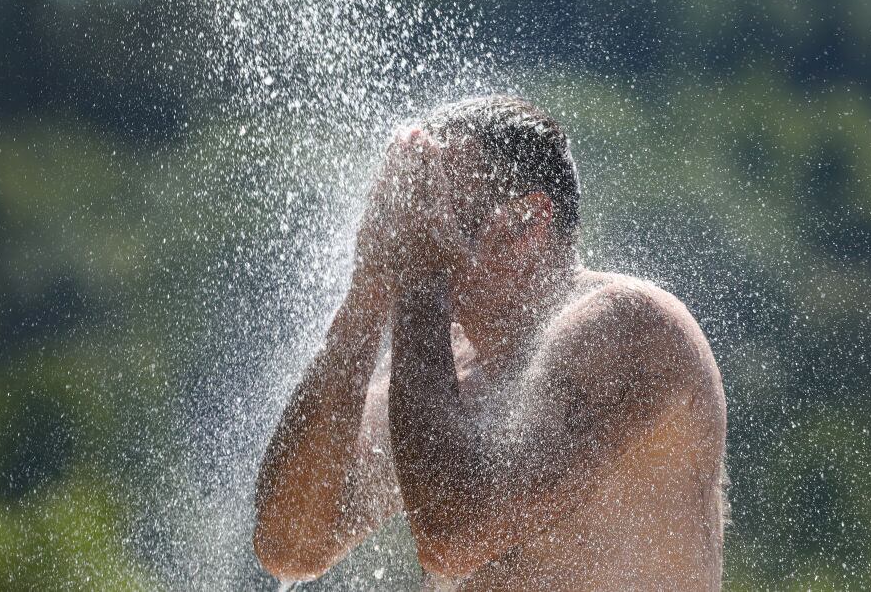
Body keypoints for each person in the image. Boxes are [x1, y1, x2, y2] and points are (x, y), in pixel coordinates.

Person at [252, 95, 728, 590]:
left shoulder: (632, 327)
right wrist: (366, 292)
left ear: (528, 223)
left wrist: (419, 274)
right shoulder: (444, 363)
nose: (417, 227)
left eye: (443, 207)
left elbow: (454, 535)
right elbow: (289, 544)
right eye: (415, 204)